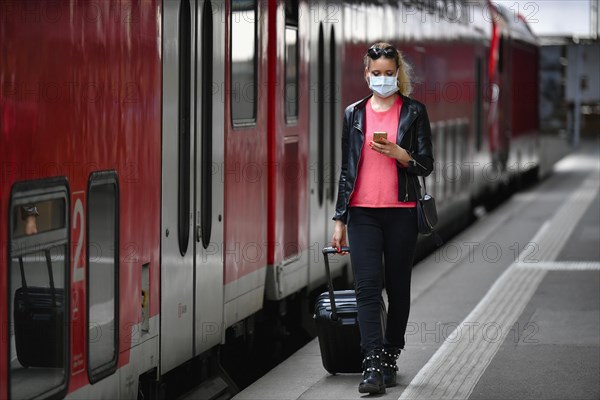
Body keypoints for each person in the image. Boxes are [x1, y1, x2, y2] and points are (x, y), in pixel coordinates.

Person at [331, 42, 433, 395]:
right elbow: (347, 171)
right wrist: (339, 220)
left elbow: (426, 164)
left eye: (390, 74)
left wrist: (401, 154)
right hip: (362, 213)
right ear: (367, 74)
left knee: (398, 287)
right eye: (377, 74)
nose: (384, 80)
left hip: (401, 213)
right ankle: (372, 361)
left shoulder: (414, 112)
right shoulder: (354, 114)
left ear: (398, 73)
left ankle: (392, 353)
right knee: (367, 288)